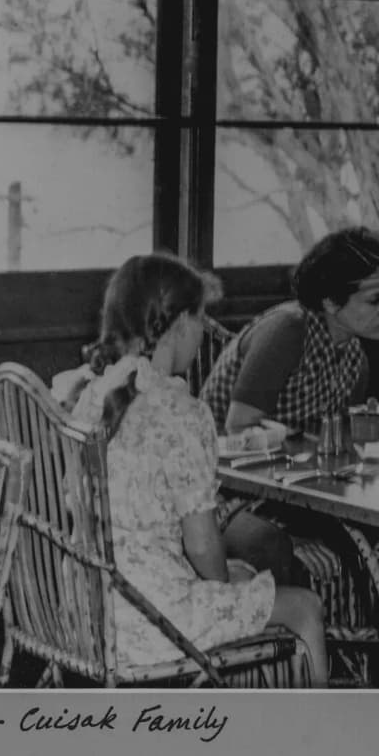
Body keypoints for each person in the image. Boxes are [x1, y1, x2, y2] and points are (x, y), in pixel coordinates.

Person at [59, 253, 328, 683]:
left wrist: (216, 583)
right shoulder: (182, 412)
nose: (204, 332)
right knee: (305, 607)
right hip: (151, 625)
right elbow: (202, 545)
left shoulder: (89, 396)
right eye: (202, 319)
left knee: (242, 580)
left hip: (84, 614)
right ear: (180, 323)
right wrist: (223, 584)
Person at [201, 226, 379, 434]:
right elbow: (238, 427)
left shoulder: (355, 361)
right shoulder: (287, 330)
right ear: (331, 301)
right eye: (375, 299)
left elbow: (333, 436)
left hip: (291, 461)